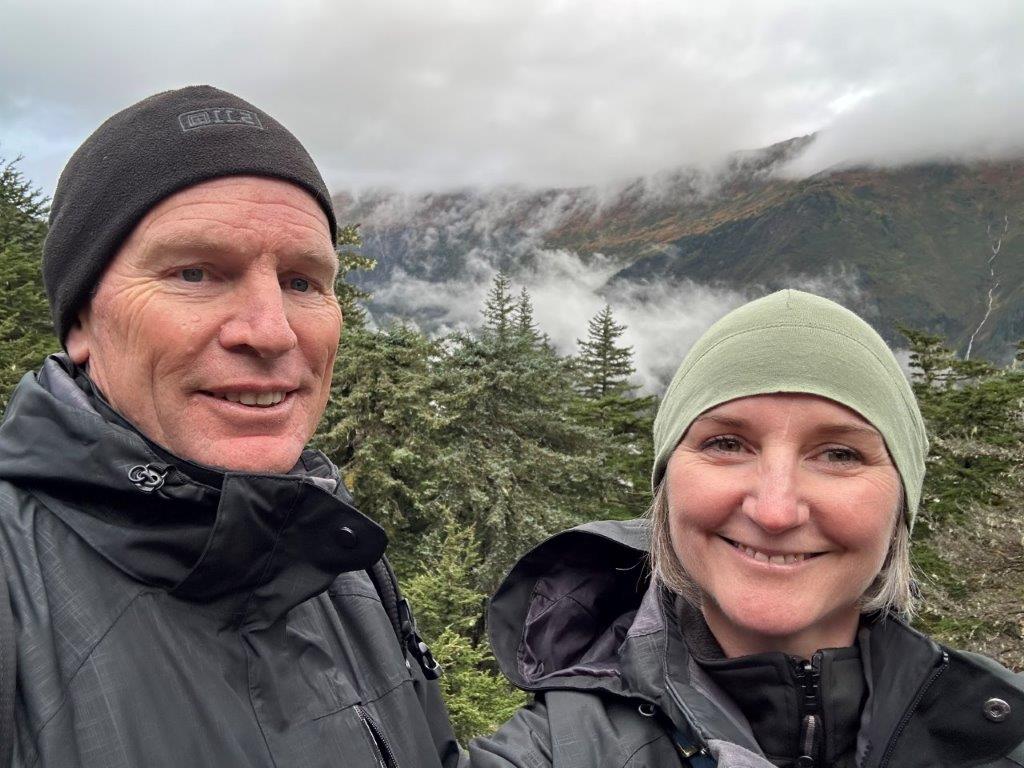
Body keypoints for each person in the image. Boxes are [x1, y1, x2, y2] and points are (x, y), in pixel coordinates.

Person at [0, 86, 460, 767]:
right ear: (81, 322)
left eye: (302, 282)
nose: (272, 332)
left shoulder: (337, 554)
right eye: (195, 273)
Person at [470, 290, 1024, 768]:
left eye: (838, 454)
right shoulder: (547, 753)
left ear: (902, 502)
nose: (775, 511)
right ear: (666, 487)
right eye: (726, 444)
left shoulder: (1006, 736)